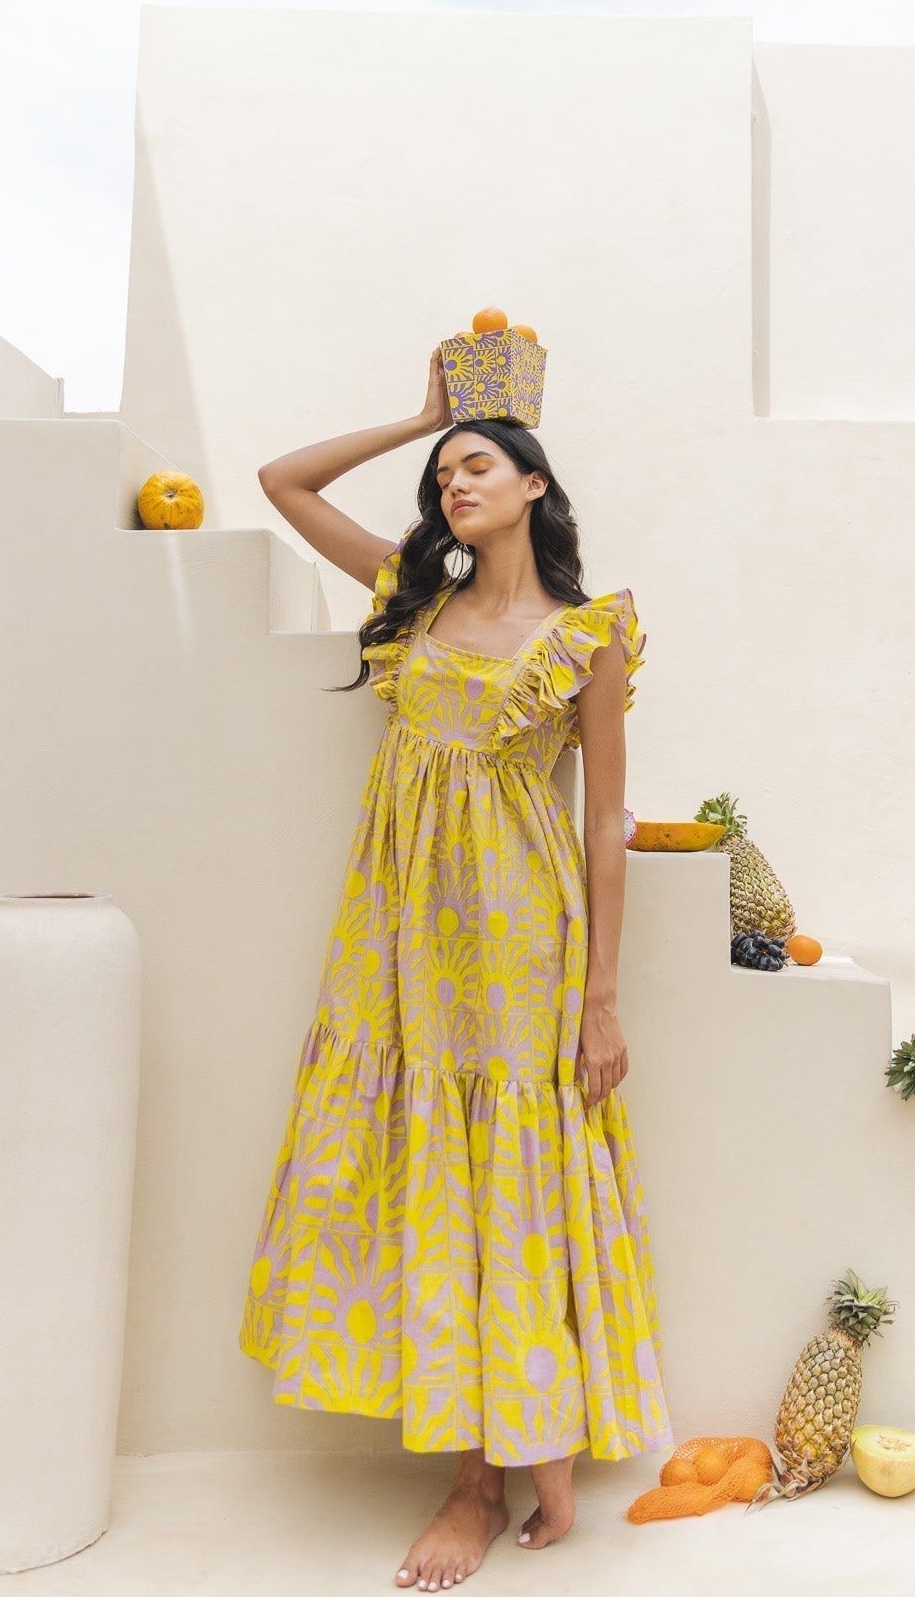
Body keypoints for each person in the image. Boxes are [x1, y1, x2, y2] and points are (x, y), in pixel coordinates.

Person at [239, 347, 672, 1590]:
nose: (453, 485)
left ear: (536, 484)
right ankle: (487, 1467)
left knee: (510, 1183)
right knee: (427, 1180)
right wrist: (423, 416)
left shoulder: (587, 636)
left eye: (476, 463)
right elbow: (281, 480)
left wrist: (599, 997)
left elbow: (603, 822)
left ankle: (509, 1458)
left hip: (522, 941)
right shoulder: (413, 599)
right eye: (442, 477)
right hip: (397, 931)